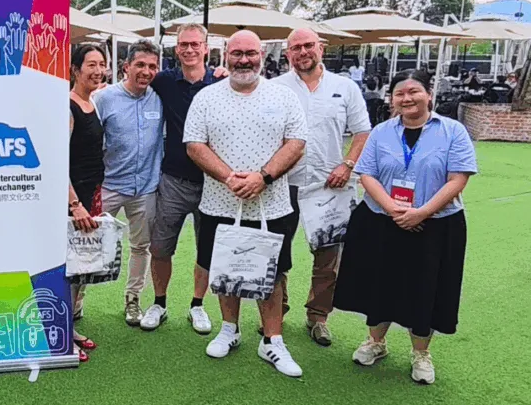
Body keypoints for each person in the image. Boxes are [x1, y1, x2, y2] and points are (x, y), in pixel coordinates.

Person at [334, 70, 477, 385]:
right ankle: (376, 342)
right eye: (399, 93)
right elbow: (367, 174)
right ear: (392, 99)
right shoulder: (381, 132)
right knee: (380, 283)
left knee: (427, 288)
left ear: (429, 94)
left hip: (436, 225)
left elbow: (458, 178)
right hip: (382, 220)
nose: (406, 98)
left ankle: (421, 353)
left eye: (414, 91)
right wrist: (391, 208)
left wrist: (422, 213)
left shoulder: (452, 131)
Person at [184, 30, 308, 378]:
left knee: (273, 274)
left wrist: (262, 177)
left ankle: (272, 340)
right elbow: (194, 145)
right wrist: (229, 178)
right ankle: (230, 329)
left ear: (262, 56)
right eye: (237, 53)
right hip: (219, 203)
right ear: (226, 55)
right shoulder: (207, 97)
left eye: (250, 53)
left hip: (272, 204)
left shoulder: (283, 96)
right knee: (226, 269)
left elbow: (296, 142)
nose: (243, 60)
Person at [272, 28, 371, 347]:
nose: (303, 52)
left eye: (308, 46)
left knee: (328, 257)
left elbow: (362, 132)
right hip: (283, 183)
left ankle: (318, 317)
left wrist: (348, 164)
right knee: (277, 251)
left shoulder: (345, 87)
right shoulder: (275, 88)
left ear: (320, 48)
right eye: (296, 48)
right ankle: (275, 313)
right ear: (288, 54)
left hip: (331, 183)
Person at [142, 23, 225, 334]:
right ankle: (159, 303)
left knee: (206, 248)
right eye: (183, 45)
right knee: (161, 248)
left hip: (213, 182)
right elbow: (134, 82)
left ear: (205, 47)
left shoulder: (222, 82)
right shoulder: (164, 80)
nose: (189, 50)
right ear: (176, 49)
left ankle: (197, 305)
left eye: (195, 44)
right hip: (173, 180)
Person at [91, 40, 163, 326]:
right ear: (126, 67)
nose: (146, 71)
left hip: (145, 188)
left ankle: (133, 299)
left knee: (141, 246)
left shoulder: (159, 97)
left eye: (152, 66)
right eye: (140, 65)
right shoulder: (104, 98)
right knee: (89, 243)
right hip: (108, 185)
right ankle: (76, 302)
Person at [66, 44, 108, 362]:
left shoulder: (90, 101)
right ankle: (62, 334)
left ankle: (68, 327)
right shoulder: (67, 107)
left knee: (81, 266)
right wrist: (74, 204)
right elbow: (57, 160)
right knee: (69, 268)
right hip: (74, 199)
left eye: (102, 64)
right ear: (75, 70)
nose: (98, 70)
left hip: (91, 193)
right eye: (91, 64)